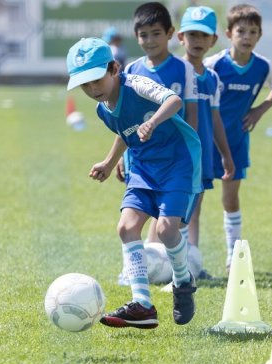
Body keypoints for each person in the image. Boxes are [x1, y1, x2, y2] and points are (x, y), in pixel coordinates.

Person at [66, 37, 201, 328]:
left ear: (114, 68)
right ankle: (142, 304)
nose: (92, 89)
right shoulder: (103, 109)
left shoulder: (135, 84)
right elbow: (124, 133)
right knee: (126, 227)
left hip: (177, 162)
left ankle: (183, 281)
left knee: (166, 230)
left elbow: (174, 100)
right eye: (84, 85)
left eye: (96, 80)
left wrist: (153, 122)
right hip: (142, 168)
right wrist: (109, 162)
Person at [116, 1, 200, 284]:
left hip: (176, 159)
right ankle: (138, 271)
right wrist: (119, 158)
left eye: (156, 33)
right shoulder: (131, 71)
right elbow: (123, 120)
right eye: (143, 35)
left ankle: (177, 273)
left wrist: (195, 155)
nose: (149, 41)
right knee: (132, 218)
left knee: (169, 222)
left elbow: (191, 116)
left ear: (170, 33)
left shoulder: (184, 69)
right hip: (141, 160)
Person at [204, 3, 272, 271]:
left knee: (230, 198)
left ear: (260, 35)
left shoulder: (263, 67)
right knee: (194, 198)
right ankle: (188, 256)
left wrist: (259, 110)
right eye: (241, 31)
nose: (247, 36)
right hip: (206, 141)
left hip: (236, 141)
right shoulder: (213, 64)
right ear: (229, 33)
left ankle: (233, 256)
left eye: (253, 31)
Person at [177, 5, 235, 278]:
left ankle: (192, 263)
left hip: (201, 155)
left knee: (195, 208)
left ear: (214, 40)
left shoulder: (212, 78)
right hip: (173, 155)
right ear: (180, 37)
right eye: (192, 35)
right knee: (168, 210)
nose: (197, 41)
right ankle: (157, 263)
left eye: (204, 35)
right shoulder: (174, 71)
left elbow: (215, 120)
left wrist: (225, 154)